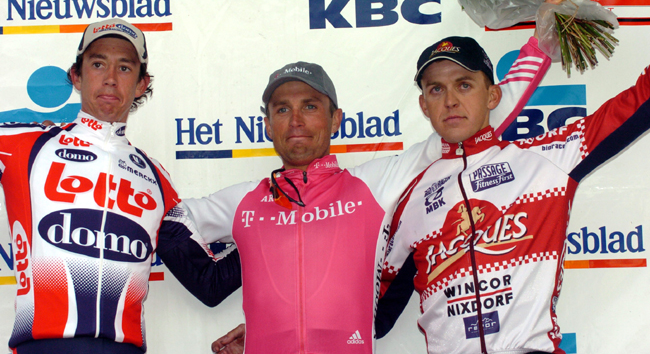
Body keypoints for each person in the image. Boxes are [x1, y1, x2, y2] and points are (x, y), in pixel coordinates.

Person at [182, 34, 550, 354]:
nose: (296, 120)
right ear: (267, 124)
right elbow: (170, 221)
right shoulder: (246, 200)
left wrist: (542, 43)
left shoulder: (373, 183)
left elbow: (471, 120)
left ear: (336, 119)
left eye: (310, 106)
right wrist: (232, 277)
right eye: (282, 109)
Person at [378, 33, 650, 353]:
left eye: (464, 84)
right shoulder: (410, 199)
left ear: (493, 96)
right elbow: (376, 317)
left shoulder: (547, 160)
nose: (450, 100)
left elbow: (639, 101)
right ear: (424, 104)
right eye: (436, 89)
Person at [0, 18, 241, 354]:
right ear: (77, 76)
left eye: (125, 68)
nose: (110, 78)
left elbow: (208, 282)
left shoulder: (156, 179)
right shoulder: (23, 146)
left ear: (142, 84)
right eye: (98, 64)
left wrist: (275, 234)